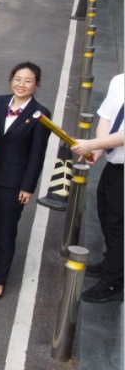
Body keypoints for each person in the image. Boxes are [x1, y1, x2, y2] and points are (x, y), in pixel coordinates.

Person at [0, 63, 51, 301]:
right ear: (11, 79)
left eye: (28, 81)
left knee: (5, 233)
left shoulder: (40, 114)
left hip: (14, 184)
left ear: (36, 84)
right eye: (17, 79)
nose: (21, 84)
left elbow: (37, 154)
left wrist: (28, 186)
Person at [72, 72, 124, 303]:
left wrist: (92, 144)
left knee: (118, 225)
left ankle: (114, 283)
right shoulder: (119, 81)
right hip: (115, 166)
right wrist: (100, 148)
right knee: (106, 215)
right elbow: (107, 117)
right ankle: (113, 262)